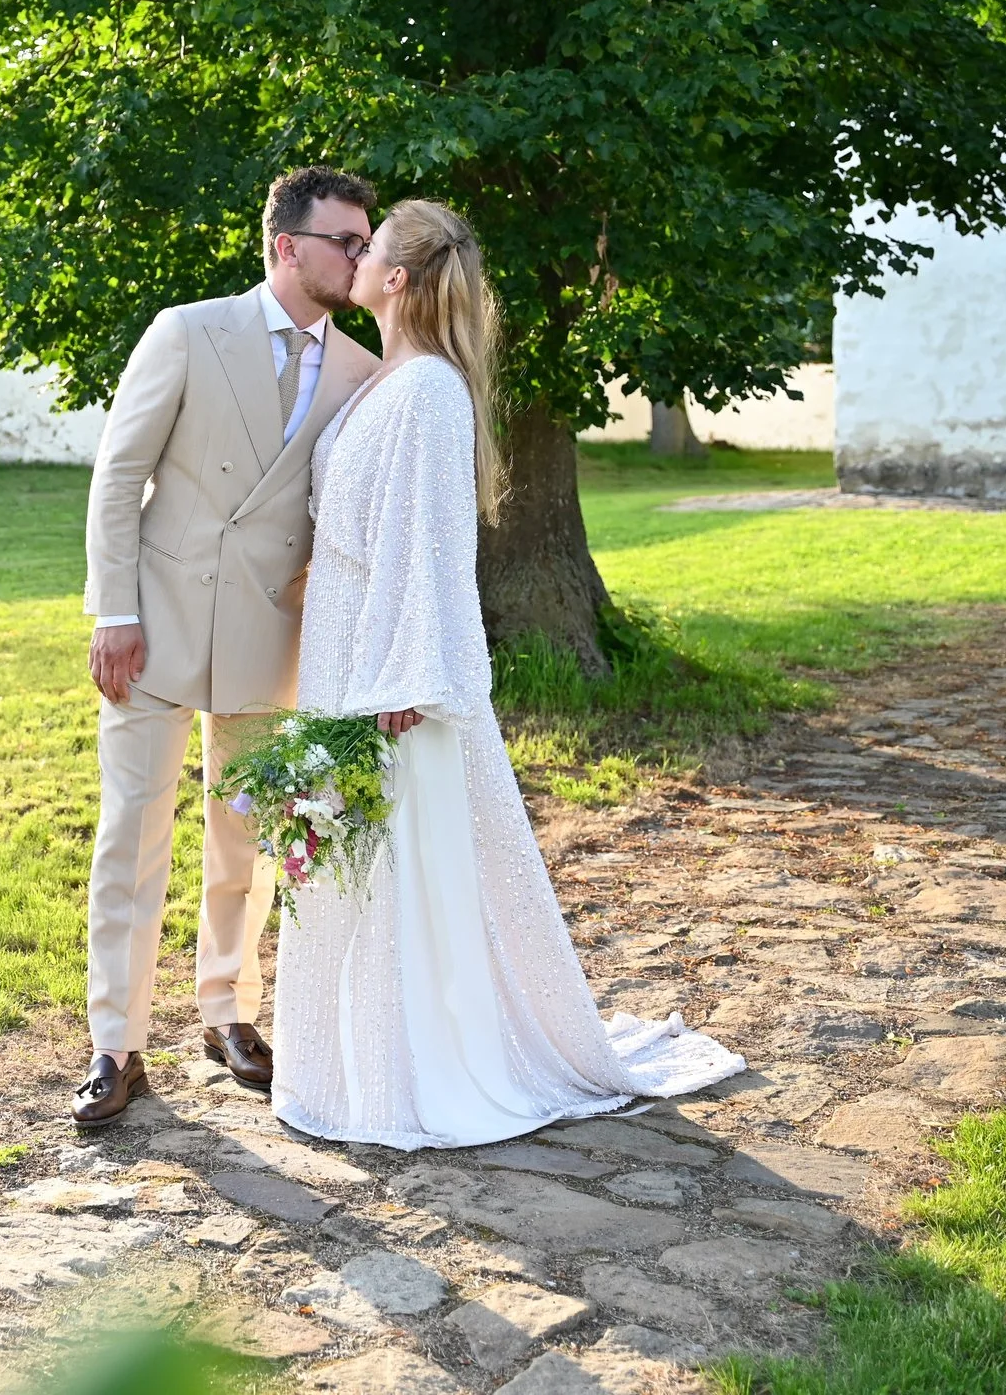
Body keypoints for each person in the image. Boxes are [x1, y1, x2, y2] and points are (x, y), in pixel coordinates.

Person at [272, 199, 744, 1147]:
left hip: (388, 672)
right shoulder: (378, 381)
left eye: (369, 251)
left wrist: (406, 675)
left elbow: (436, 551)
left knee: (392, 862)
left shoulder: (432, 392)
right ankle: (343, 1061)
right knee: (344, 858)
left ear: (397, 279)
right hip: (340, 644)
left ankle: (412, 1069)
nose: (354, 261)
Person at [72, 167, 383, 1125]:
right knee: (133, 835)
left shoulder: (362, 371)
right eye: (347, 242)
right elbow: (119, 476)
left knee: (245, 835)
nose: (363, 258)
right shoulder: (188, 329)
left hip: (268, 631)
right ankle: (116, 1045)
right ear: (288, 246)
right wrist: (111, 610)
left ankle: (228, 1011)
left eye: (366, 243)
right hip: (155, 621)